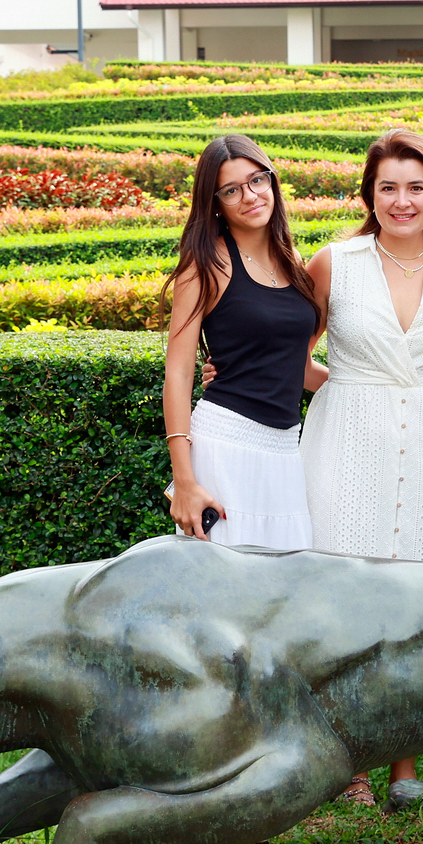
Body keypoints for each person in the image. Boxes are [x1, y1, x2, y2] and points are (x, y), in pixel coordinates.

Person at [300, 127, 423, 807]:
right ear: (369, 195)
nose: (402, 200)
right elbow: (293, 350)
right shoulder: (334, 263)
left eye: (415, 187)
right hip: (347, 440)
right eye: (388, 188)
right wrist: (341, 387)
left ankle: (405, 765)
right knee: (344, 598)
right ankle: (346, 765)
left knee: (416, 605)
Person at [162, 135, 325, 550]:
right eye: (232, 190)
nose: (250, 196)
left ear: (272, 182)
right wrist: (184, 480)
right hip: (225, 447)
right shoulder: (206, 265)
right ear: (215, 201)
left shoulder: (293, 263)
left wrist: (371, 389)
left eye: (257, 181)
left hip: (287, 451)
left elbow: (297, 368)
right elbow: (179, 373)